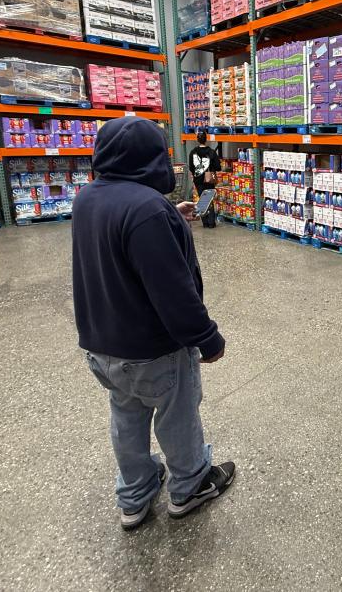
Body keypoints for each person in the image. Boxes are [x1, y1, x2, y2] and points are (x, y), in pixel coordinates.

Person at [72, 116, 234, 530]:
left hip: (103, 345)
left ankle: (135, 496)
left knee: (126, 416)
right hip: (153, 349)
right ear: (150, 158)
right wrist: (207, 338)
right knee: (177, 415)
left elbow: (119, 240)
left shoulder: (87, 198)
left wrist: (169, 217)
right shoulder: (147, 210)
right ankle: (190, 485)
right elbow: (171, 288)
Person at [188, 130, 219, 228]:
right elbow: (218, 167)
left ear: (197, 140)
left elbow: (191, 167)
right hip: (209, 179)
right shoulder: (211, 152)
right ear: (206, 139)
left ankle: (205, 222)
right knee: (209, 199)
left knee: (202, 199)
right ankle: (211, 223)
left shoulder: (193, 152)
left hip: (198, 179)